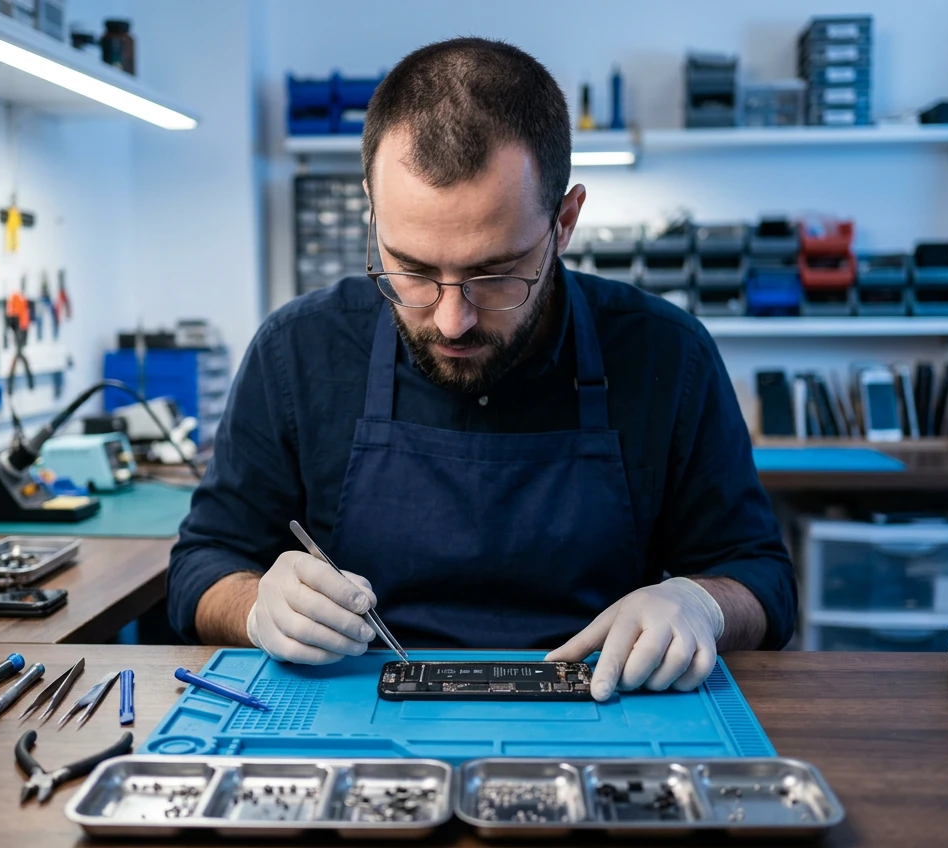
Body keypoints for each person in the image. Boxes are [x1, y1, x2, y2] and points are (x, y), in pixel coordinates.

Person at [169, 37, 796, 701]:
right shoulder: (297, 350)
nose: (451, 320)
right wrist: (256, 607)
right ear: (372, 212)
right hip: (355, 725)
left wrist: (701, 603)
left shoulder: (668, 355)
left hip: (600, 716)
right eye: (409, 268)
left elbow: (762, 580)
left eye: (493, 274)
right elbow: (200, 567)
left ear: (565, 222)